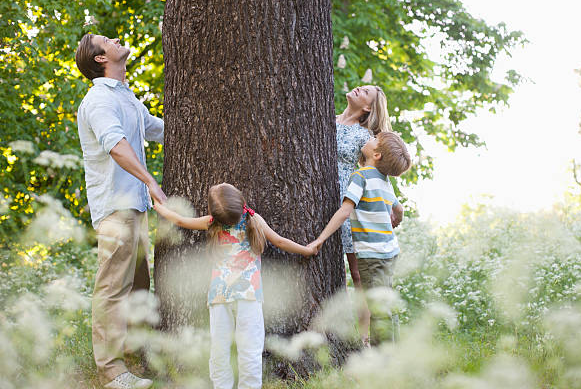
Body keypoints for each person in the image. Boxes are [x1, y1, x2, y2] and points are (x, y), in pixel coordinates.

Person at [153, 183, 317, 389]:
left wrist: (159, 206)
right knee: (250, 351)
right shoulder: (254, 220)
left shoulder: (212, 223)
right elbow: (281, 242)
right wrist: (307, 250)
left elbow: (179, 220)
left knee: (219, 350)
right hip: (249, 295)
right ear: (241, 201)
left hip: (219, 297)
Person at [75, 33, 165, 389]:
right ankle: (111, 373)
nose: (114, 38)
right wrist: (150, 182)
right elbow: (116, 146)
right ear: (99, 58)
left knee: (138, 286)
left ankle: (137, 357)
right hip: (116, 205)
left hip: (135, 206)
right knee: (113, 287)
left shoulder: (125, 96)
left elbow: (156, 129)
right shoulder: (98, 99)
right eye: (105, 40)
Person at [310, 132, 411, 346]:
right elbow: (399, 208)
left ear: (376, 155)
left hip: (371, 254)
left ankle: (381, 357)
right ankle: (395, 349)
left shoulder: (361, 176)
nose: (370, 138)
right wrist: (396, 219)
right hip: (390, 251)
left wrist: (321, 238)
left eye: (375, 140)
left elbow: (345, 211)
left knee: (378, 307)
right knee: (386, 300)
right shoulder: (383, 181)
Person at [335, 85, 392, 343]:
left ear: (368, 107)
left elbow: (380, 169)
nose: (358, 88)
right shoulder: (325, 119)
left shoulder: (365, 136)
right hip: (320, 196)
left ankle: (365, 339)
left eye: (365, 92)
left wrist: (395, 203)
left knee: (357, 274)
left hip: (347, 201)